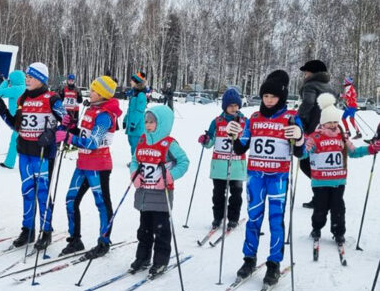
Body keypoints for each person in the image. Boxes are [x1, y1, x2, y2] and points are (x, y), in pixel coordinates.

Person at [227, 70, 305, 286]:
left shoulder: (290, 117)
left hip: (278, 176)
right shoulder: (254, 118)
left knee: (276, 221)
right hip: (256, 177)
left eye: (273, 96)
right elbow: (241, 148)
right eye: (265, 96)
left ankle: (274, 263)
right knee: (253, 218)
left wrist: (298, 138)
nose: (269, 100)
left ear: (281, 97)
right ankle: (249, 259)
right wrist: (233, 135)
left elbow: (302, 152)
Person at [0, 62, 66, 250]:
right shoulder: (23, 98)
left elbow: (67, 122)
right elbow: (16, 126)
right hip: (24, 151)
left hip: (43, 152)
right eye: (26, 76)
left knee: (42, 193)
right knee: (27, 192)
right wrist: (2, 112)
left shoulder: (52, 99)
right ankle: (28, 230)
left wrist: (52, 134)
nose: (27, 79)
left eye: (31, 77)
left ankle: (46, 230)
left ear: (41, 79)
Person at [55, 75, 122, 258]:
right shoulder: (91, 110)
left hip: (98, 165)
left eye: (93, 90)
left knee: (101, 203)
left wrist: (69, 138)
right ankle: (75, 239)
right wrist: (71, 128)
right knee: (71, 200)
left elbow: (92, 142)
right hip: (83, 163)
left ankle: (104, 241)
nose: (89, 93)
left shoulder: (105, 116)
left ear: (101, 94)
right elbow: (84, 134)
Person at [302, 93, 380, 244]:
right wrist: (301, 145)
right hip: (320, 181)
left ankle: (338, 232)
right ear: (323, 122)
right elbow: (304, 153)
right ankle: (316, 228)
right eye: (329, 122)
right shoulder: (315, 137)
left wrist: (370, 149)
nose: (332, 125)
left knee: (338, 208)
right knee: (320, 208)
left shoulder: (342, 137)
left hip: (338, 180)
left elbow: (353, 152)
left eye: (335, 121)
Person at [129, 105, 190, 276]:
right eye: (146, 121)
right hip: (144, 194)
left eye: (152, 122)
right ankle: (142, 257)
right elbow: (135, 160)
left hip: (161, 196)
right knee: (144, 230)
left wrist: (170, 176)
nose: (148, 125)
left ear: (162, 123)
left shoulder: (169, 144)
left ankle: (160, 261)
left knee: (161, 230)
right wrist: (134, 173)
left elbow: (184, 162)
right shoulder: (142, 140)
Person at [198, 88, 247, 230]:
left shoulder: (244, 121)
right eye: (230, 105)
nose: (234, 108)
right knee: (218, 194)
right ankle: (217, 217)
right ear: (225, 106)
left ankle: (233, 218)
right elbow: (210, 142)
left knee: (236, 194)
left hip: (237, 165)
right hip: (219, 165)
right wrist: (205, 140)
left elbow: (247, 141)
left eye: (236, 105)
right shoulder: (217, 121)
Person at [297, 59, 336, 209]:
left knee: (307, 164)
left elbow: (307, 103)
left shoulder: (310, 85)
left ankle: (321, 196)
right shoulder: (329, 87)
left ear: (312, 73)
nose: (304, 75)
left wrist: (299, 120)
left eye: (306, 72)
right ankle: (327, 195)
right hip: (329, 130)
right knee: (321, 165)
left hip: (313, 130)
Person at [0, 70, 26, 169]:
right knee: (16, 140)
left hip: (17, 119)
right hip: (24, 118)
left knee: (16, 140)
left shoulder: (16, 89)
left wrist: (6, 82)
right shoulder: (25, 87)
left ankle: (11, 162)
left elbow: (0, 92)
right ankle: (10, 162)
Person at [124, 71, 148, 155]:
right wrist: (125, 119)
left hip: (137, 126)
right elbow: (130, 109)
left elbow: (139, 111)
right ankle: (135, 161)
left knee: (136, 144)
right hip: (131, 124)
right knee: (132, 143)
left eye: (132, 81)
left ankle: (137, 162)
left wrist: (133, 123)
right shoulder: (135, 93)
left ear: (136, 82)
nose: (130, 82)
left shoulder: (141, 95)